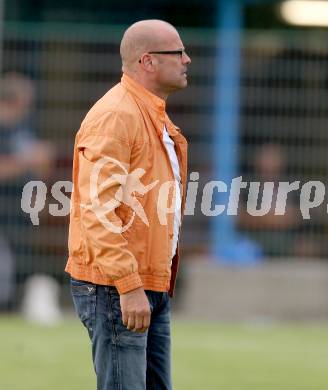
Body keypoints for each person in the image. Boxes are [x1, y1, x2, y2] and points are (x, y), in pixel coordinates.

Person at [65, 20, 191, 390]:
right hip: (118, 287)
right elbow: (96, 209)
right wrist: (128, 285)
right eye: (178, 52)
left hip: (146, 282)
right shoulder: (117, 116)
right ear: (148, 61)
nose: (187, 59)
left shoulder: (150, 112)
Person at [0, 72, 54, 310]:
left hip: (19, 211)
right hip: (4, 209)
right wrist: (27, 160)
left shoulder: (23, 127)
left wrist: (39, 161)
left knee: (17, 265)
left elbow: (41, 169)